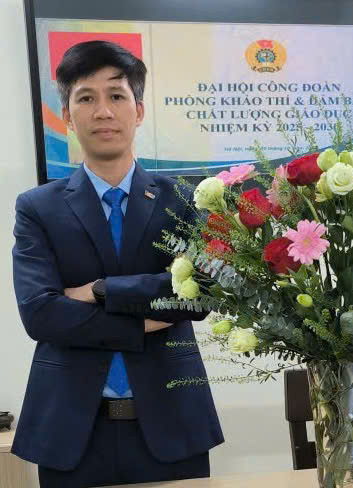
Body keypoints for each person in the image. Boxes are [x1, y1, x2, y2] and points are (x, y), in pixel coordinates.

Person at [12, 40, 224, 488]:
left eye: (116, 95)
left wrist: (100, 290)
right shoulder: (37, 208)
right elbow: (40, 314)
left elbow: (198, 295)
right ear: (67, 116)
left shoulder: (183, 200)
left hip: (172, 425)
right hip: (70, 431)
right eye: (86, 98)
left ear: (139, 110)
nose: (103, 111)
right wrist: (144, 319)